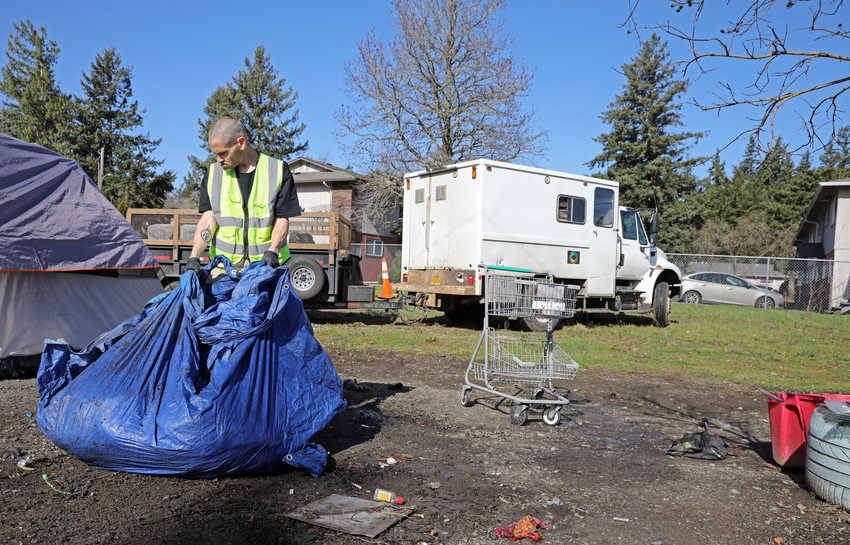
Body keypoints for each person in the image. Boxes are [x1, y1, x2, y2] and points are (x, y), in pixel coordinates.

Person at [186, 117, 301, 276]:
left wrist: (273, 251)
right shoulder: (213, 175)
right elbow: (209, 218)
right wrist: (194, 258)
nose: (219, 159)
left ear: (241, 143)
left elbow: (282, 218)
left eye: (223, 153)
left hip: (266, 267)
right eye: (216, 154)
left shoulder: (277, 170)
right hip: (224, 270)